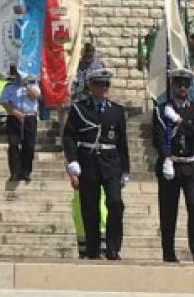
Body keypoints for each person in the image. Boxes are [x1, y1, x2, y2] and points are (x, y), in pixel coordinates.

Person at [63, 68, 130, 260]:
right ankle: (93, 249)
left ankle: (113, 246)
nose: (103, 88)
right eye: (99, 84)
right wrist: (72, 161)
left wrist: (125, 169)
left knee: (116, 203)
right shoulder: (80, 109)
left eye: (106, 84)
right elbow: (69, 136)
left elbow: (122, 141)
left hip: (111, 162)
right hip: (88, 160)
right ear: (91, 87)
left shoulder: (116, 110)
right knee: (90, 207)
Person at [151, 69, 194, 263]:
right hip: (170, 163)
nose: (182, 88)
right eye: (178, 84)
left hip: (190, 165)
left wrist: (178, 120)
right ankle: (168, 252)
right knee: (168, 210)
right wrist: (166, 157)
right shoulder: (160, 110)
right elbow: (157, 137)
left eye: (185, 85)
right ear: (172, 86)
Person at [0, 71, 41, 182]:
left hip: (29, 117)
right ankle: (15, 172)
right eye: (18, 74)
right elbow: (3, 101)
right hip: (14, 117)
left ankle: (26, 172)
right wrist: (13, 111)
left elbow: (36, 96)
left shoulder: (33, 84)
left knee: (29, 145)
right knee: (13, 144)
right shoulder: (9, 86)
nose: (20, 77)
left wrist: (26, 85)